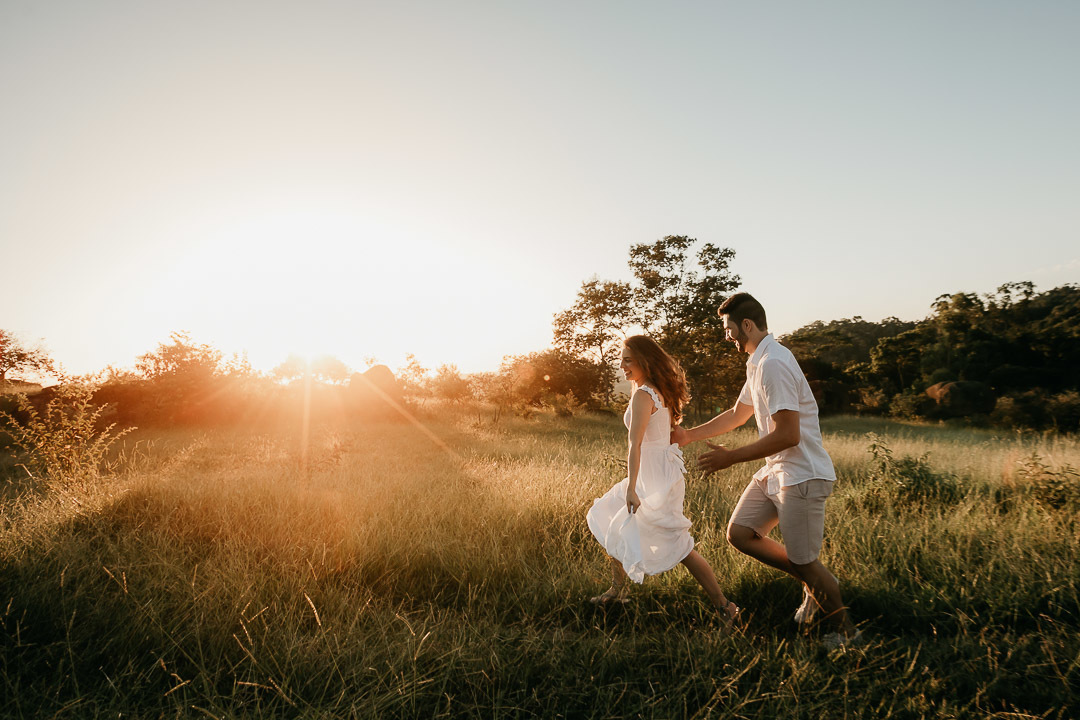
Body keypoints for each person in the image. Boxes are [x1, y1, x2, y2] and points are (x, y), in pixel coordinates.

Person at [671, 293, 862, 649]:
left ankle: (846, 634)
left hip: (802, 475)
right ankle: (813, 581)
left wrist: (731, 457)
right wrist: (686, 435)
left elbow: (788, 435)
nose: (726, 337)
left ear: (746, 325)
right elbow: (736, 414)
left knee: (807, 562)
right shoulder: (757, 361)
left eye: (728, 329)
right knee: (740, 532)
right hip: (777, 471)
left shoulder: (774, 362)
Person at [586, 335, 739, 626]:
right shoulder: (656, 390)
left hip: (653, 475)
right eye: (621, 360)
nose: (622, 366)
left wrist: (631, 488)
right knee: (608, 515)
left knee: (679, 545)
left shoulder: (644, 394)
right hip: (658, 470)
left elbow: (636, 444)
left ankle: (725, 607)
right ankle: (618, 590)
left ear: (644, 360)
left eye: (628, 360)